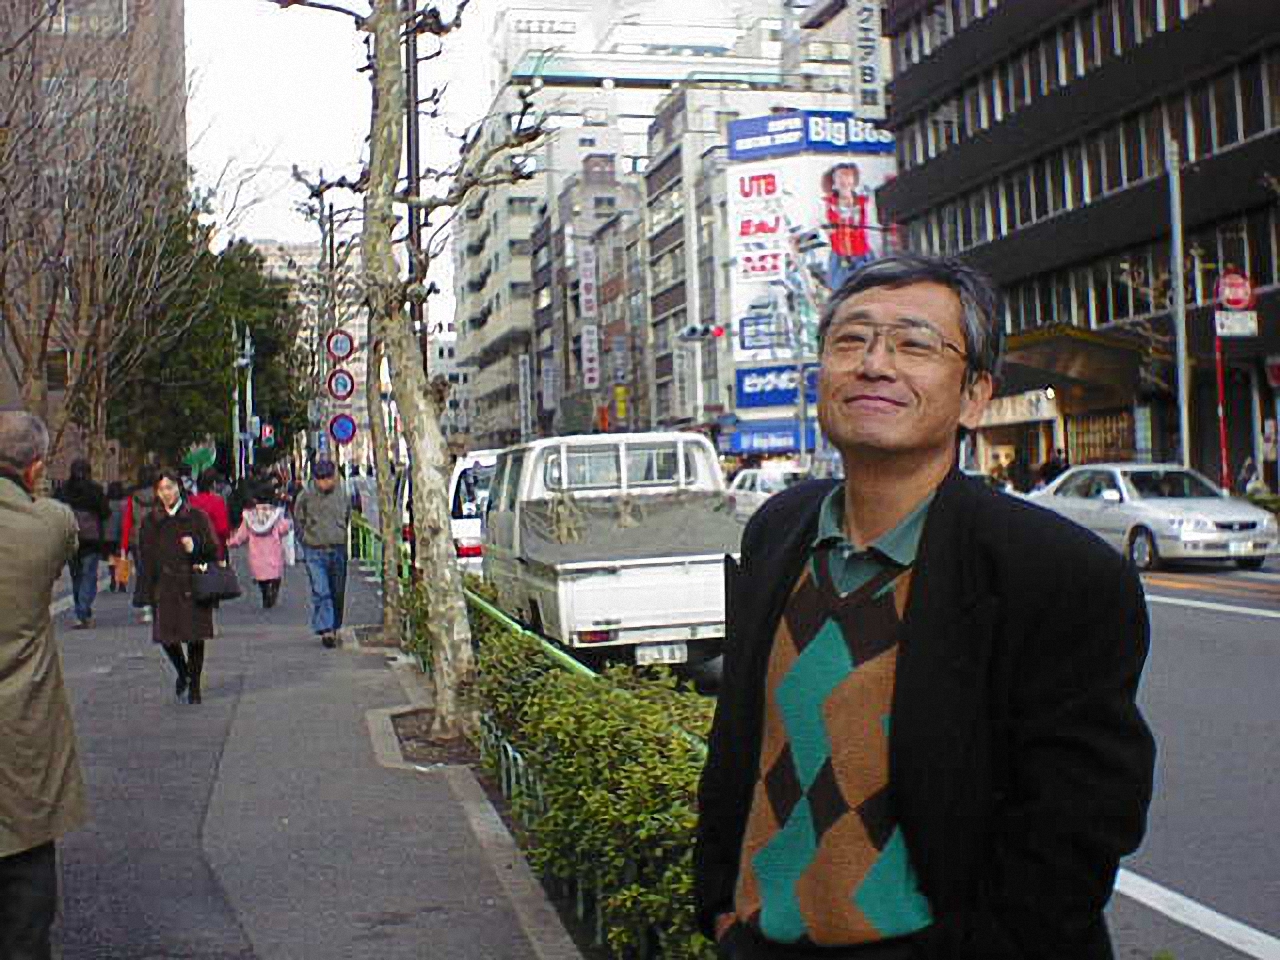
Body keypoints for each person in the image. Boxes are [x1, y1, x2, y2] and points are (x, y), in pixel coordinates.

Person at [695, 253, 1155, 960]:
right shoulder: (779, 531)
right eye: (851, 340)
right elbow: (738, 739)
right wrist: (721, 909)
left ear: (974, 396)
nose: (874, 365)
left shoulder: (1058, 572)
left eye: (914, 345)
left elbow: (1078, 821)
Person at [0, 411, 88, 959]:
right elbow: (67, 531)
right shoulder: (47, 525)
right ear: (35, 469)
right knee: (25, 889)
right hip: (22, 731)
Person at [137, 470, 219, 704]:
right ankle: (183, 671)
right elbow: (145, 557)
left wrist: (196, 546)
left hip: (192, 583)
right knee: (166, 637)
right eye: (162, 489)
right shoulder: (151, 521)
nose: (167, 493)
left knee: (195, 637)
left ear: (179, 488)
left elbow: (213, 548)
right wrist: (145, 591)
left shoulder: (196, 517)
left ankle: (195, 685)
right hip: (164, 585)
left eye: (170, 487)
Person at [293, 459, 350, 648]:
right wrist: (305, 539)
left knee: (337, 591)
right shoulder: (306, 495)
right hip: (314, 549)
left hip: (337, 548)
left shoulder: (344, 493)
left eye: (328, 478)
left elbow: (348, 516)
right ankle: (326, 629)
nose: (324, 483)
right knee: (321, 590)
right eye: (320, 479)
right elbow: (298, 519)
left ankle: (335, 625)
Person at [55, 458, 111, 629]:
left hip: (70, 537)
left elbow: (55, 510)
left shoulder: (63, 490)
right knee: (89, 576)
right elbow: (105, 513)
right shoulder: (95, 490)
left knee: (76, 576)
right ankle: (83, 610)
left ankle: (81, 612)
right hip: (91, 540)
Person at [228, 498, 292, 608]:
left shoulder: (250, 516)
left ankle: (265, 593)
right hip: (273, 550)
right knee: (275, 574)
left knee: (261, 576)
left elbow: (241, 535)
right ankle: (274, 588)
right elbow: (283, 529)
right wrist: (288, 523)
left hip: (257, 553)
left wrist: (231, 542)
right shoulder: (274, 514)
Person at [121, 467, 159, 623]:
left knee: (143, 573)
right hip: (159, 537)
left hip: (138, 540)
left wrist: (124, 546)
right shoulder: (160, 495)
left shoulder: (133, 498)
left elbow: (128, 522)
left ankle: (147, 607)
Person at [188, 467, 231, 560]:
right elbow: (223, 529)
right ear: (214, 484)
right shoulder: (217, 501)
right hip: (215, 550)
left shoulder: (191, 501)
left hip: (195, 549)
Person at [104, 481, 128, 591]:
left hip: (109, 536)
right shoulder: (125, 503)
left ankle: (113, 579)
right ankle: (122, 583)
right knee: (122, 558)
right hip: (122, 535)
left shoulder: (106, 503)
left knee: (112, 559)